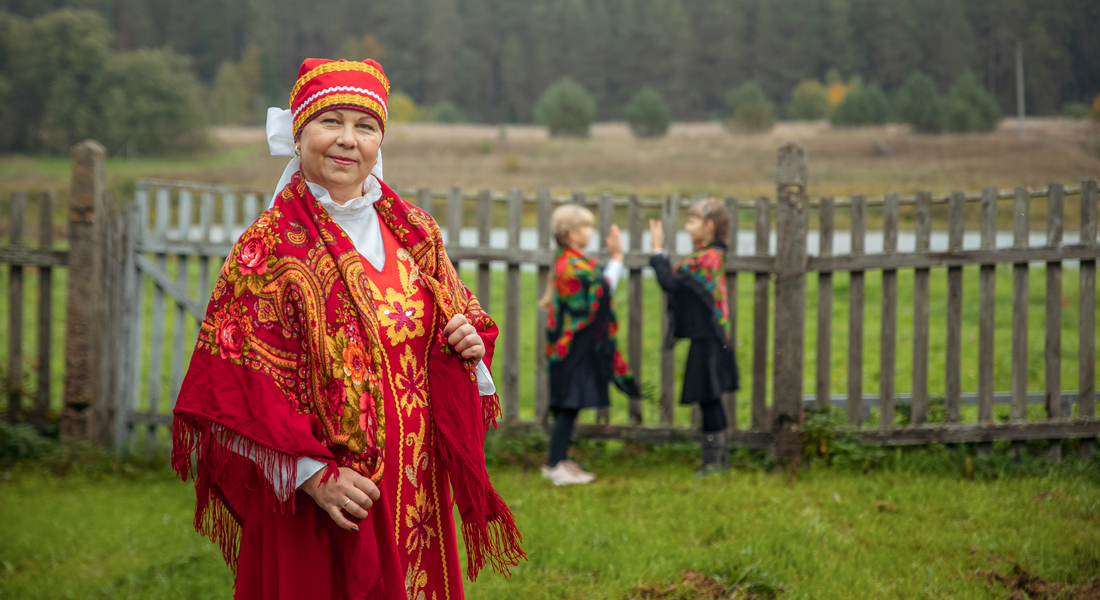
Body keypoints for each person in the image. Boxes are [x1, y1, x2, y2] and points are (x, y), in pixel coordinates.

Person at [171, 58, 523, 600]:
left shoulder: (415, 230)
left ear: (381, 141)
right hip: (328, 499)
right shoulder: (268, 248)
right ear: (298, 134)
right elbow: (230, 384)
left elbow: (460, 322)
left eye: (365, 126)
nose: (347, 140)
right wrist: (311, 476)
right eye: (329, 121)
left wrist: (468, 346)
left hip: (414, 485)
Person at [539, 205, 639, 486]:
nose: (591, 232)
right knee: (568, 404)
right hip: (571, 347)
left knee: (569, 405)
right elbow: (601, 291)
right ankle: (555, 465)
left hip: (571, 346)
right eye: (586, 227)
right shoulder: (571, 265)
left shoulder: (573, 261)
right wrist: (617, 258)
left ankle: (558, 459)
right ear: (571, 234)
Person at [649, 198, 740, 474]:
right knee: (709, 397)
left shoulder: (707, 258)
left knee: (709, 397)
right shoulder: (708, 254)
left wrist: (657, 251)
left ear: (709, 225)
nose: (687, 227)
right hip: (711, 336)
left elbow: (670, 282)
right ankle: (717, 462)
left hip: (710, 338)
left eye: (692, 221)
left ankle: (713, 463)